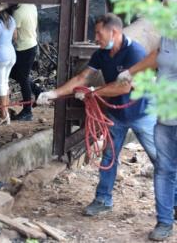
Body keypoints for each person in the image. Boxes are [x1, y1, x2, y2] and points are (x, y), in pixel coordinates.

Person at [37, 13, 157, 216]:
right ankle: (103, 199)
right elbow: (82, 77)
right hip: (117, 115)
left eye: (99, 33)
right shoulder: (101, 53)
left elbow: (123, 88)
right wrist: (54, 94)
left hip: (141, 113)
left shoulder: (134, 52)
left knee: (160, 158)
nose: (96, 38)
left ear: (115, 32)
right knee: (109, 156)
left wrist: (93, 93)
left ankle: (173, 201)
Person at [117, 0, 177, 241]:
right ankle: (164, 221)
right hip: (164, 116)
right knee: (164, 168)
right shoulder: (167, 36)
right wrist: (130, 72)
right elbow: (157, 55)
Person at [9, 4, 42, 121]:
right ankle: (38, 91)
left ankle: (27, 111)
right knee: (16, 74)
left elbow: (14, 35)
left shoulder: (17, 12)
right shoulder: (32, 6)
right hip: (31, 44)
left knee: (23, 78)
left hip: (24, 48)